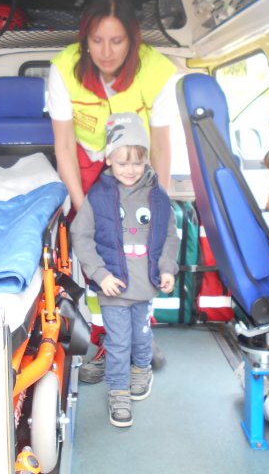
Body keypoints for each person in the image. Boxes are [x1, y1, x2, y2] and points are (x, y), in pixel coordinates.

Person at [47, 0, 180, 382]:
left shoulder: (158, 72)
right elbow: (64, 145)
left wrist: (159, 203)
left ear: (133, 40)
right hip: (88, 165)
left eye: (117, 41)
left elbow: (162, 146)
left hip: (136, 167)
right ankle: (106, 339)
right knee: (100, 256)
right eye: (97, 40)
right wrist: (82, 208)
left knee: (141, 252)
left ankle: (141, 336)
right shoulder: (64, 69)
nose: (106, 52)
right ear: (85, 40)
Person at [70, 112, 179, 427]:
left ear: (146, 159)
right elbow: (80, 235)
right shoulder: (99, 196)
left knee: (141, 336)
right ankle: (118, 392)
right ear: (108, 160)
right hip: (113, 285)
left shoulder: (157, 196)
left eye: (137, 162)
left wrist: (167, 269)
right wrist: (100, 274)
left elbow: (170, 235)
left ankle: (141, 369)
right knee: (118, 342)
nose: (130, 169)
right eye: (122, 162)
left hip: (145, 285)